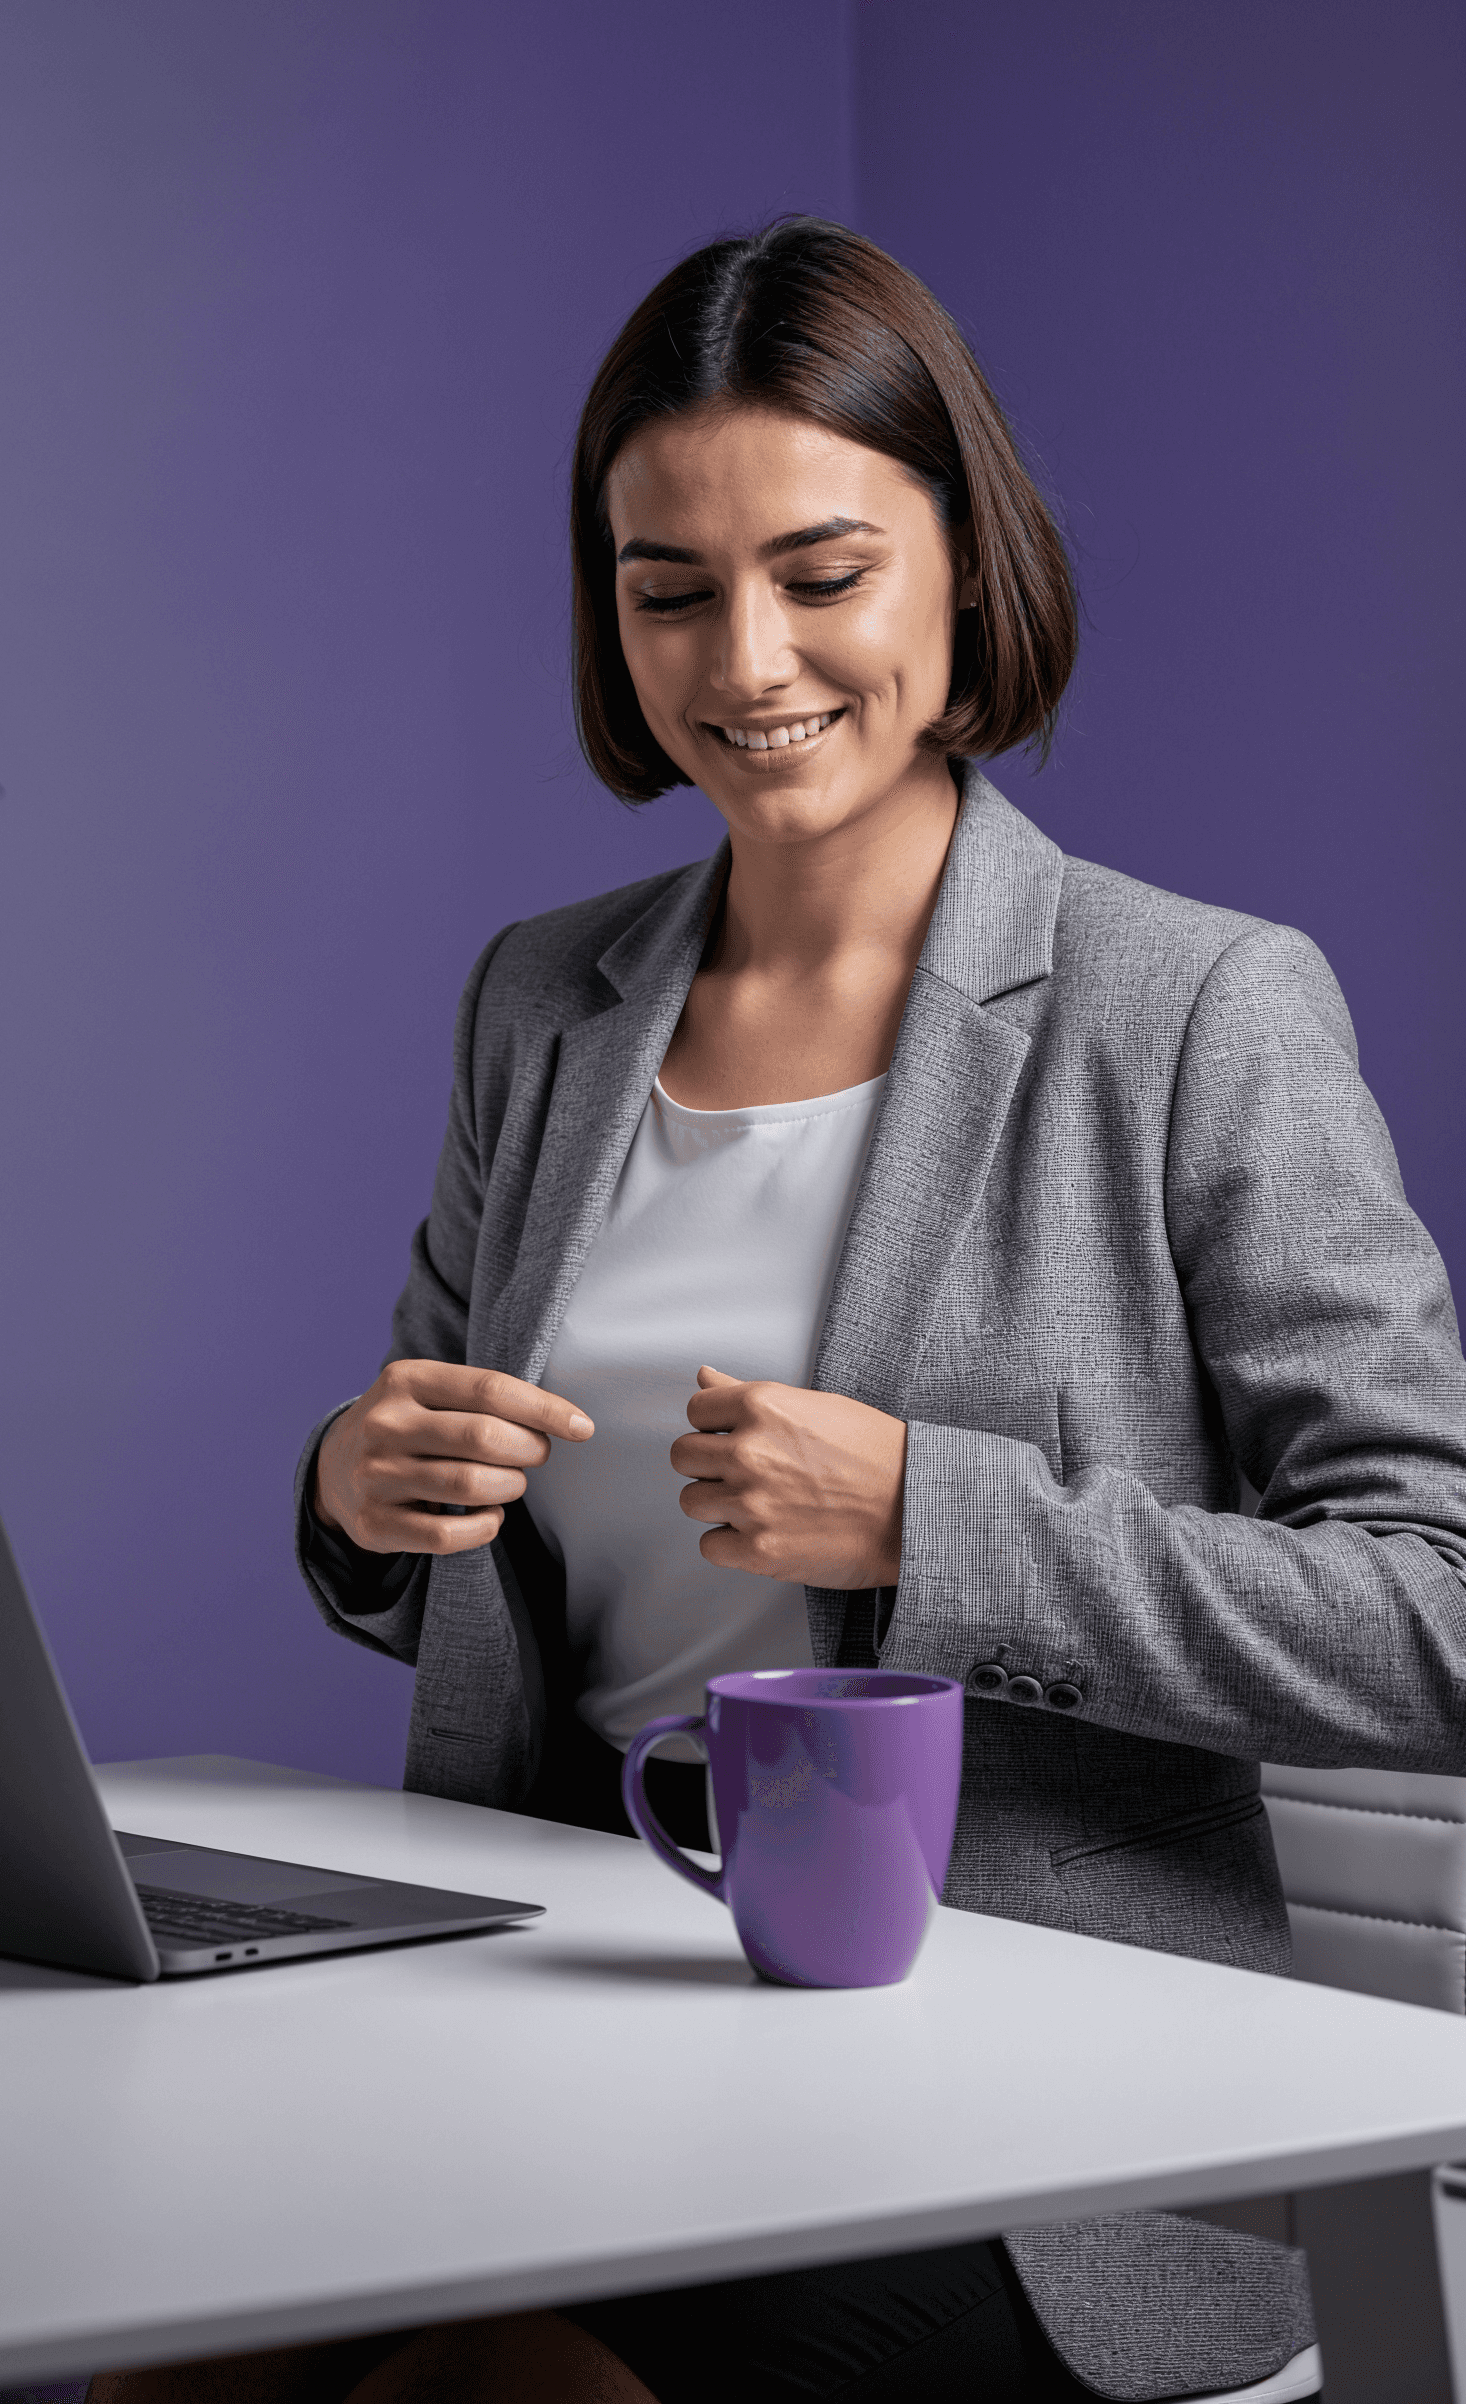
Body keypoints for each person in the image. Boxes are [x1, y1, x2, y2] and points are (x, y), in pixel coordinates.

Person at [101, 220, 1466, 2402]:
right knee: (170, 2358)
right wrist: (363, 1492)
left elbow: (1432, 1613)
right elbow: (460, 1583)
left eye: (820, 573)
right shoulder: (544, 1003)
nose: (742, 659)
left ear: (960, 565)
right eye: (667, 590)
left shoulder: (1191, 1005)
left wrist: (933, 1516)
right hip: (554, 2012)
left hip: (1023, 2123)